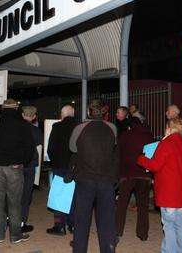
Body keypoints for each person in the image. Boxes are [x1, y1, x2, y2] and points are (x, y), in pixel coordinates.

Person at [69, 99, 119, 253]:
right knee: (106, 221)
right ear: (104, 113)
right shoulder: (112, 128)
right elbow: (113, 148)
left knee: (81, 220)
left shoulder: (80, 128)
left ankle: (79, 249)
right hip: (106, 180)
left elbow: (72, 148)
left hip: (85, 179)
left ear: (88, 112)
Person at [137, 117, 182, 253]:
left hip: (168, 193)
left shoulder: (166, 144)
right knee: (180, 226)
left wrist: (141, 158)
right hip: (181, 193)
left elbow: (154, 165)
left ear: (169, 128)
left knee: (169, 226)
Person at [0, 99, 35, 244]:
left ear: (2, 108)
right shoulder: (23, 125)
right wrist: (22, 161)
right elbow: (30, 149)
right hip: (14, 168)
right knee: (14, 203)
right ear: (16, 109)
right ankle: (15, 235)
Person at [116, 116, 153, 241]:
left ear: (129, 126)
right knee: (143, 205)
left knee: (122, 203)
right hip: (144, 174)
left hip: (127, 174)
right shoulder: (149, 136)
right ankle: (143, 234)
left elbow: (117, 152)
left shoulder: (125, 135)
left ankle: (117, 231)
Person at [46, 104, 77, 235]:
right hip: (75, 167)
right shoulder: (78, 127)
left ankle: (59, 226)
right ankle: (73, 224)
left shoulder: (57, 127)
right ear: (73, 115)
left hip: (59, 166)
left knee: (59, 195)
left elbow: (51, 148)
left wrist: (54, 162)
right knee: (74, 196)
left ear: (62, 115)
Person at [20, 105, 42, 233]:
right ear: (34, 117)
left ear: (22, 115)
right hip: (29, 166)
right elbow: (39, 143)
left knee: (13, 192)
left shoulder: (15, 128)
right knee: (26, 194)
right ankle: (22, 222)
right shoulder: (35, 130)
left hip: (15, 164)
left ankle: (8, 218)